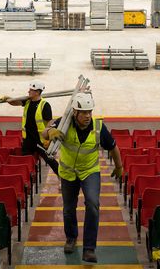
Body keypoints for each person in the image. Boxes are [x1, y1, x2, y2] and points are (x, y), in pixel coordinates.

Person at [43, 93, 122, 264]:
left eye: (89, 112)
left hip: (89, 171)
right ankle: (71, 238)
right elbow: (44, 133)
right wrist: (50, 133)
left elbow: (114, 147)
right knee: (68, 209)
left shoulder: (99, 127)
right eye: (84, 113)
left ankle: (89, 248)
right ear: (75, 113)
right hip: (68, 173)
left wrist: (119, 166)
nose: (87, 116)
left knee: (93, 204)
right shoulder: (63, 123)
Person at [6, 81, 52, 156]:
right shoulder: (27, 101)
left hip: (40, 140)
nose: (28, 91)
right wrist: (8, 99)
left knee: (50, 159)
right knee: (26, 160)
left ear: (37, 92)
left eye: (31, 90)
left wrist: (48, 138)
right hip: (28, 140)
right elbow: (15, 103)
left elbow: (50, 122)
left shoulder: (45, 105)